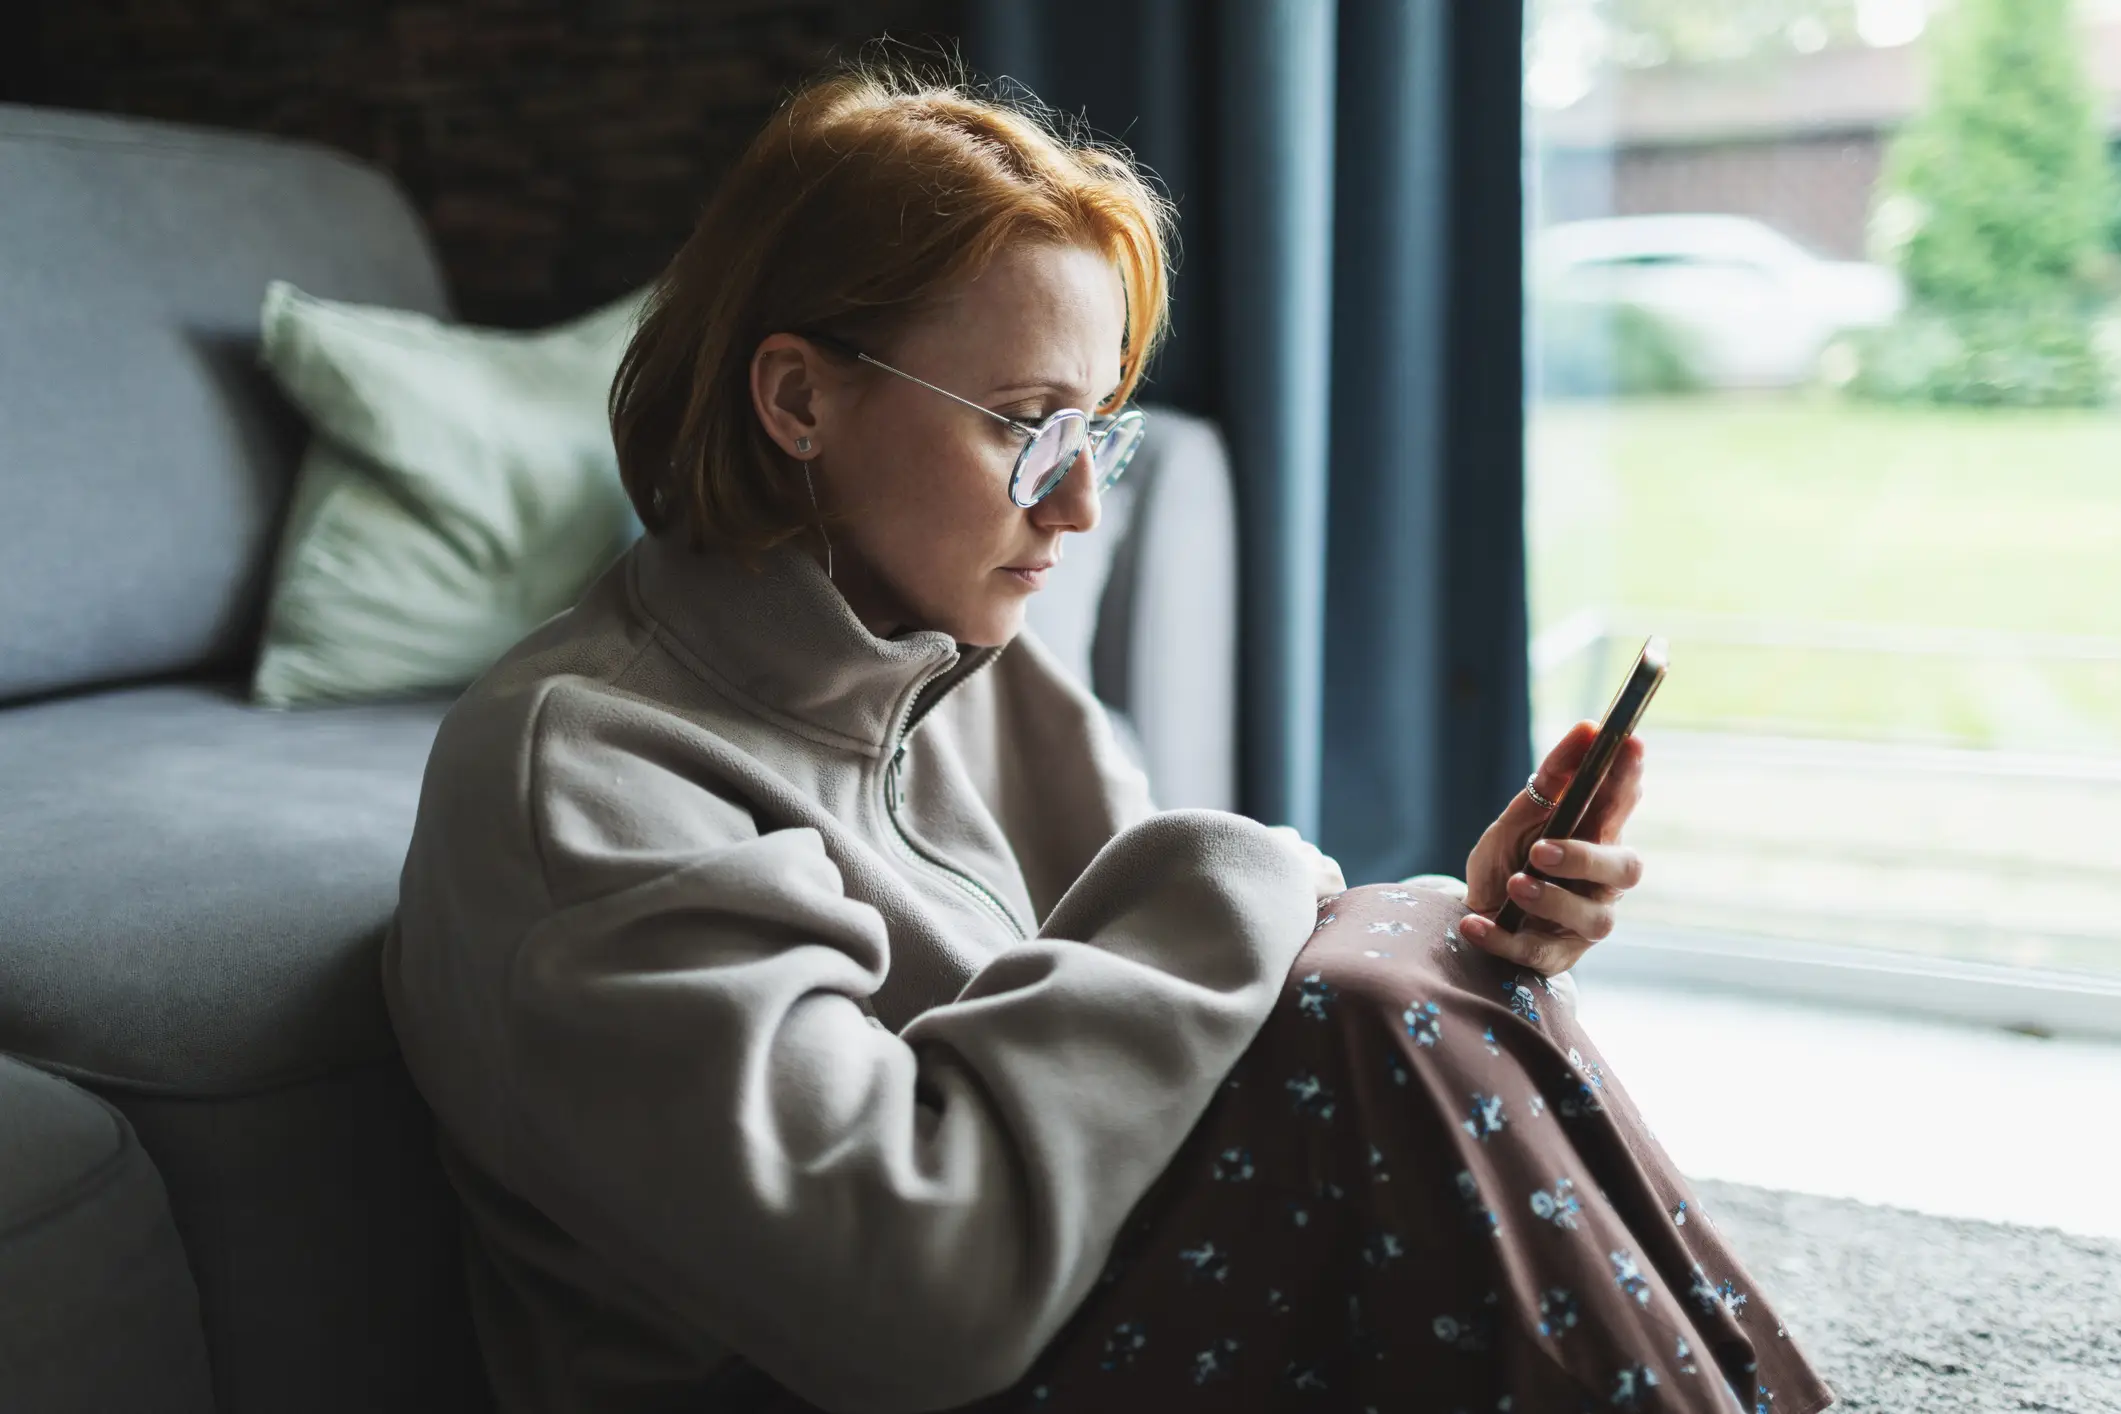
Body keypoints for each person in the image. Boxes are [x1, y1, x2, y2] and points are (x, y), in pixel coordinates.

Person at [381, 58, 1837, 1414]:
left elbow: (1193, 1021)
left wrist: (1467, 923)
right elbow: (912, 1295)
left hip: (1058, 1298)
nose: (1078, 506)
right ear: (798, 397)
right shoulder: (585, 779)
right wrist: (1277, 886)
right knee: (1370, 1000)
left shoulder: (959, 665)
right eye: (1027, 426)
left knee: (1415, 965)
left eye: (1099, 434)